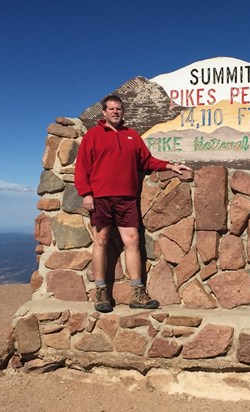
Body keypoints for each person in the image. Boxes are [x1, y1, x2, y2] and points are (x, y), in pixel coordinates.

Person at [74, 94, 191, 313]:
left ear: (122, 111)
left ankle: (137, 292)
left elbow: (146, 160)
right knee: (100, 241)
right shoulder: (93, 136)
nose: (115, 112)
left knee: (133, 241)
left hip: (126, 198)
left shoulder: (132, 136)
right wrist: (86, 194)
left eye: (119, 109)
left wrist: (169, 166)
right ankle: (101, 292)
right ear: (104, 112)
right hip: (100, 198)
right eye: (111, 109)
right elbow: (82, 167)